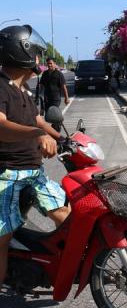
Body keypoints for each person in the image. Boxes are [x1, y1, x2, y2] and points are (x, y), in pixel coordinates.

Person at [0, 25, 70, 286]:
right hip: (8, 175)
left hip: (33, 173)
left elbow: (38, 120)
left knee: (66, 215)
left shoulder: (24, 90)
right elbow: (1, 125)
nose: (39, 59)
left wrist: (63, 138)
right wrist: (37, 135)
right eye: (36, 53)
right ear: (22, 52)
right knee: (2, 239)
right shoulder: (1, 87)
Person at [40, 57, 69, 130]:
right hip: (47, 99)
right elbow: (42, 85)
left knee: (54, 115)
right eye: (48, 63)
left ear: (54, 64)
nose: (49, 65)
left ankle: (56, 129)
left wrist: (66, 98)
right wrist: (39, 95)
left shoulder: (59, 74)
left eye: (51, 63)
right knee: (48, 116)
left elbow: (64, 87)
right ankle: (54, 128)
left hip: (55, 99)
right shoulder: (45, 74)